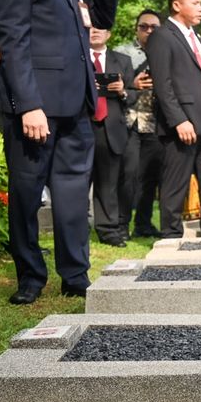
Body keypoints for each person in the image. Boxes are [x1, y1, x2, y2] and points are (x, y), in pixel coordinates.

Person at [0, 0, 117, 304]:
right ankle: (30, 277)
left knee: (72, 194)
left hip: (75, 104)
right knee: (27, 195)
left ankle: (75, 275)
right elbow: (13, 42)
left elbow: (101, 21)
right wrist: (29, 105)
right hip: (35, 108)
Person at [146, 0, 201, 239]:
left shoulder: (196, 36)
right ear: (177, 5)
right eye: (195, 3)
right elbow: (162, 83)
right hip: (181, 124)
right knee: (175, 183)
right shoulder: (162, 36)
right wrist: (179, 120)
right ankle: (170, 235)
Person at [86, 27, 136, 246]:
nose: (95, 32)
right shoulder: (76, 57)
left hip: (111, 128)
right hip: (82, 126)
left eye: (100, 29)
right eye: (90, 28)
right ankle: (75, 229)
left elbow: (134, 95)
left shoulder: (122, 60)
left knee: (108, 183)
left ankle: (108, 230)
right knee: (77, 182)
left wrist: (122, 90)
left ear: (109, 34)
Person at [113, 8, 159, 238]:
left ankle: (143, 223)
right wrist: (133, 83)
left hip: (156, 122)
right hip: (129, 120)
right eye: (144, 26)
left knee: (149, 177)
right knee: (128, 174)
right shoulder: (122, 53)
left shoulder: (166, 52)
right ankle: (122, 225)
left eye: (154, 27)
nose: (148, 31)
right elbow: (113, 86)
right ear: (136, 28)